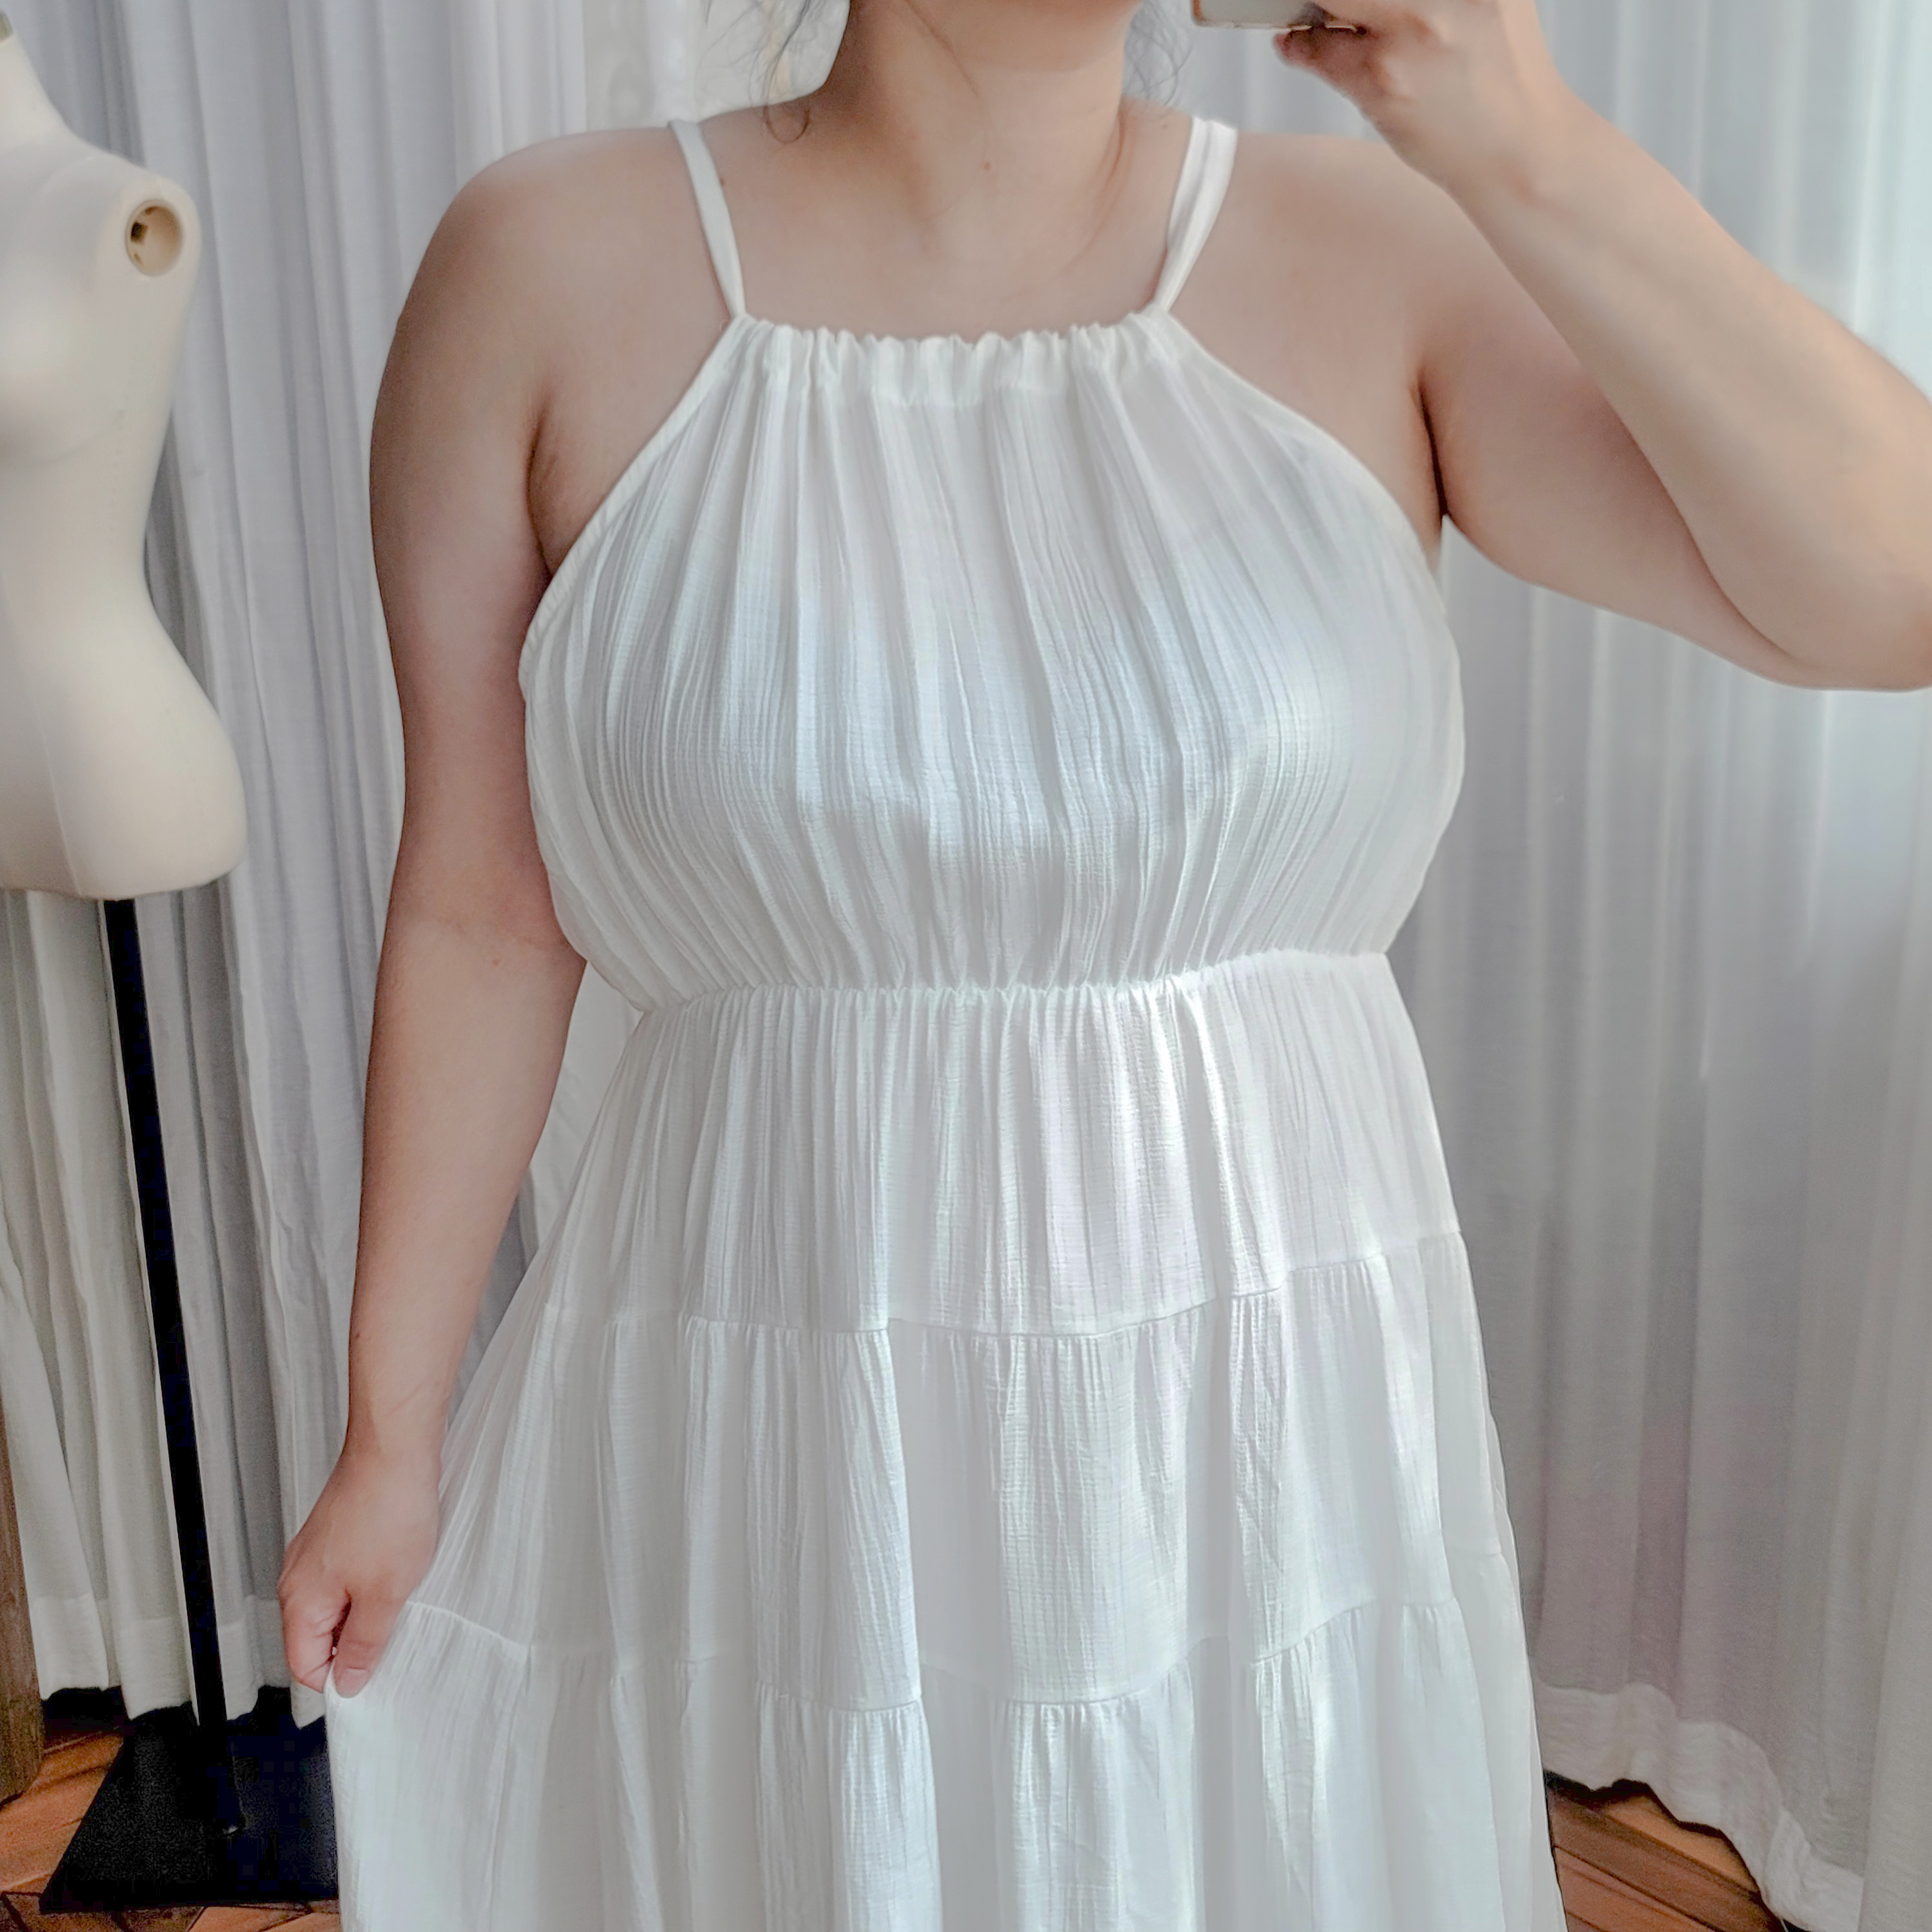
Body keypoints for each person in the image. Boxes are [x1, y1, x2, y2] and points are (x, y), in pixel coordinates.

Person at [278, 1, 1932, 1926]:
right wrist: (390, 1437)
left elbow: (1891, 592)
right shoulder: (547, 265)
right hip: (783, 1394)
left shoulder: (1375, 257)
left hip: (1262, 1428)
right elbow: (485, 904)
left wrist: (1525, 139)